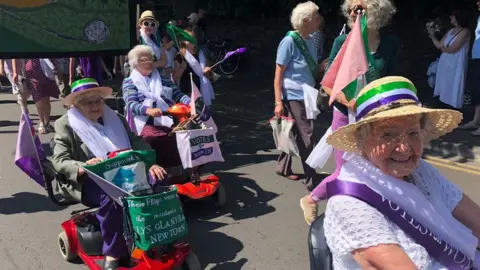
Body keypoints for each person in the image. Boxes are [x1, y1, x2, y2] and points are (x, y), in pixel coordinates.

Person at [322, 76, 480, 269]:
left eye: (413, 133)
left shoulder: (422, 172)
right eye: (387, 135)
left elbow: (475, 220)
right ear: (361, 140)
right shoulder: (349, 203)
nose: (404, 148)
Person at [300, 0, 400, 225]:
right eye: (351, 8)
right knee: (346, 169)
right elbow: (327, 83)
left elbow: (391, 80)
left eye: (361, 7)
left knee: (377, 165)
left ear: (377, 11)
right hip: (346, 113)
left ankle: (369, 210)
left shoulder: (391, 43)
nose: (355, 11)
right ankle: (314, 199)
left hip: (376, 115)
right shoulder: (342, 41)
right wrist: (353, 103)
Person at [51, 78, 166, 270]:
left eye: (99, 101)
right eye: (88, 102)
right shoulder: (66, 124)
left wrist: (151, 163)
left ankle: (152, 236)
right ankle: (113, 252)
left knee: (159, 179)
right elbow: (59, 159)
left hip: (124, 172)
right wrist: (83, 166)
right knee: (112, 197)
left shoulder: (116, 118)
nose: (96, 106)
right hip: (89, 179)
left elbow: (135, 141)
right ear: (76, 105)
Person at [274, 1, 322, 190]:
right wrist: (278, 101)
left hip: (307, 93)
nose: (319, 20)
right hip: (293, 94)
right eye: (316, 17)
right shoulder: (289, 42)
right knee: (307, 134)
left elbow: (310, 69)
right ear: (305, 20)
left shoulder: (310, 39)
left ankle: (282, 167)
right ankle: (312, 178)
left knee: (292, 131)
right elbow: (278, 73)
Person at [122, 45, 192, 170]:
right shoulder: (129, 82)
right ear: (135, 63)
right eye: (144, 60)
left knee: (185, 134)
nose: (149, 62)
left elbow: (178, 95)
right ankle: (157, 169)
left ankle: (179, 170)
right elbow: (131, 104)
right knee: (154, 137)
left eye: (150, 59)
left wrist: (191, 103)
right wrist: (148, 110)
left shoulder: (163, 79)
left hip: (169, 117)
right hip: (144, 122)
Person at [429, 10, 470, 109]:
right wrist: (432, 35)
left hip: (456, 63)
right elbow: (440, 45)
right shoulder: (450, 31)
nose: (450, 18)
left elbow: (453, 49)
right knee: (444, 82)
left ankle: (453, 106)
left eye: (452, 16)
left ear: (458, 18)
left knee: (454, 81)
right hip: (445, 62)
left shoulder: (465, 32)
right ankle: (442, 102)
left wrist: (443, 49)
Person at [12, 58, 60, 134]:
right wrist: (15, 72)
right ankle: (44, 123)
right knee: (41, 97)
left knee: (43, 96)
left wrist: (15, 72)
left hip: (41, 67)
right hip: (37, 68)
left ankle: (45, 123)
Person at [173, 30, 214, 100]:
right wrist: (181, 68)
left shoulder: (200, 54)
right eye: (189, 37)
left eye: (194, 37)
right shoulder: (180, 56)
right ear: (184, 41)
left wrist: (208, 70)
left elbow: (210, 74)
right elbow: (175, 77)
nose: (193, 39)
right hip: (188, 91)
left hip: (202, 88)